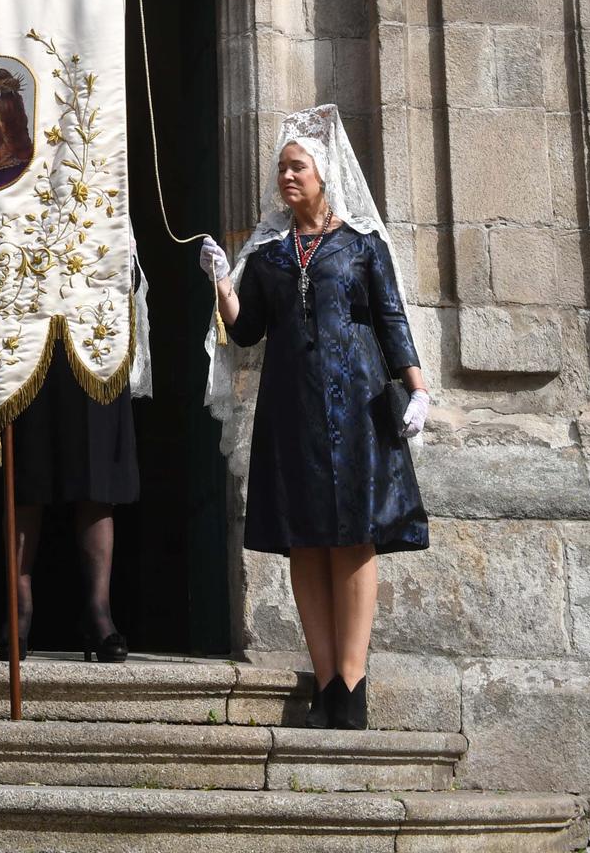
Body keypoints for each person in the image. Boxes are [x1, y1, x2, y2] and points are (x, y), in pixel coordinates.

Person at [199, 106, 430, 731]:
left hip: (356, 403)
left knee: (354, 534)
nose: (286, 177)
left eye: (297, 166)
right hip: (291, 404)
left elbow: (390, 318)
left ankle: (352, 683)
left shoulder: (360, 244)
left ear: (324, 171)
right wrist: (224, 285)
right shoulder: (271, 254)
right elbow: (247, 333)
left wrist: (418, 389)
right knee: (305, 536)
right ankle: (324, 676)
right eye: (281, 168)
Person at [6, 247, 151, 663]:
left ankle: (98, 612)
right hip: (27, 318)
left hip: (95, 321)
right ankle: (19, 608)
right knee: (26, 474)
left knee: (98, 475)